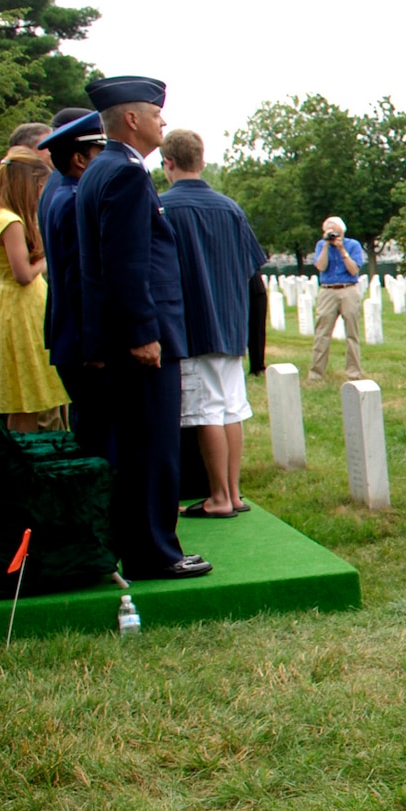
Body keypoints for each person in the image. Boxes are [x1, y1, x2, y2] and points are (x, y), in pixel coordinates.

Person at [75, 75, 210, 580]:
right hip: (139, 338)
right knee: (152, 448)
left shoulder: (101, 170)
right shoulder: (127, 175)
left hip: (115, 336)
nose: (163, 121)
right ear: (132, 120)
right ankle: (155, 551)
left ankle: (147, 544)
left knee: (137, 446)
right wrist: (142, 332)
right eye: (156, 113)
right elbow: (127, 263)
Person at [160, 128, 267, 519]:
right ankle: (234, 492)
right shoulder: (230, 208)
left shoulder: (162, 208)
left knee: (207, 411)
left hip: (192, 325)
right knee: (231, 408)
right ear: (201, 161)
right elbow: (249, 267)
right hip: (230, 322)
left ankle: (219, 496)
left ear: (167, 163)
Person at [0, 147, 67, 432]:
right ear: (24, 183)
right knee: (29, 388)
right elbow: (23, 275)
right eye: (38, 186)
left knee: (21, 390)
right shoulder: (11, 221)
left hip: (11, 304)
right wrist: (46, 258)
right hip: (24, 306)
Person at [37, 112, 105, 443]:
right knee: (100, 432)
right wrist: (94, 343)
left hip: (70, 333)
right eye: (99, 153)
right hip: (82, 338)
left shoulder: (58, 189)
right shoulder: (76, 200)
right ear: (79, 159)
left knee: (91, 424)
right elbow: (80, 278)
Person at [307, 216, 365, 381]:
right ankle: (316, 374)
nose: (332, 234)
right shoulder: (321, 245)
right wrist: (326, 245)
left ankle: (353, 373)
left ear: (342, 231)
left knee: (352, 334)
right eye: (328, 231)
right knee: (322, 333)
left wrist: (342, 250)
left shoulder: (353, 245)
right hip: (328, 290)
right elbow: (320, 266)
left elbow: (354, 270)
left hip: (348, 289)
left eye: (335, 231)